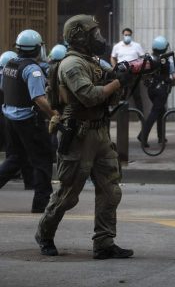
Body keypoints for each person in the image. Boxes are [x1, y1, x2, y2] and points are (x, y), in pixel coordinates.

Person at [36, 15, 133, 259]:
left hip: (100, 133)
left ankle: (104, 243)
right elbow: (88, 96)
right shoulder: (72, 65)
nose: (99, 38)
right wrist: (115, 84)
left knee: (110, 191)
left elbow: (111, 93)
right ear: (79, 35)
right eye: (94, 33)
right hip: (79, 136)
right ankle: (44, 234)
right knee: (68, 195)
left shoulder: (94, 62)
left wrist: (127, 75)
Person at [0, 30, 57, 213]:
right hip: (29, 122)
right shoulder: (32, 69)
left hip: (10, 119)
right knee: (42, 160)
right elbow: (39, 99)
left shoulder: (10, 64)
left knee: (15, 159)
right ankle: (40, 204)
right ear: (37, 49)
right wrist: (55, 114)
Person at [138, 36, 175, 147]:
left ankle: (161, 137)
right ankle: (143, 135)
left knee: (161, 112)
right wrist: (170, 81)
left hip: (151, 89)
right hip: (161, 90)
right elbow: (174, 77)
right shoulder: (168, 61)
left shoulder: (150, 59)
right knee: (155, 113)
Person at [110, 27, 145, 112]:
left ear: (131, 35)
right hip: (121, 74)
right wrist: (115, 68)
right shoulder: (117, 46)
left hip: (134, 74)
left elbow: (143, 58)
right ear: (123, 35)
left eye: (129, 35)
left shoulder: (137, 46)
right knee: (121, 95)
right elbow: (112, 57)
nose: (127, 36)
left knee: (137, 95)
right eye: (126, 35)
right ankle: (120, 116)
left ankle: (141, 115)